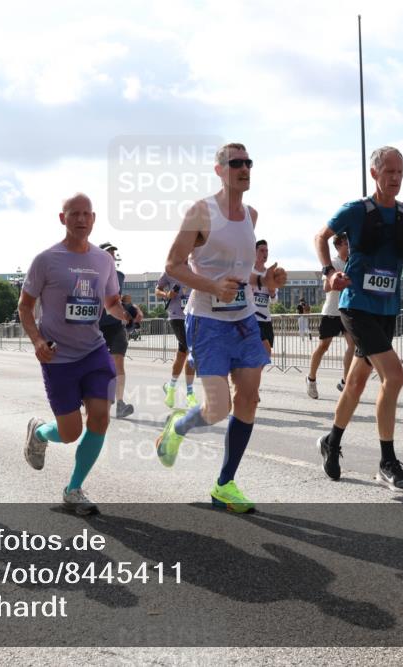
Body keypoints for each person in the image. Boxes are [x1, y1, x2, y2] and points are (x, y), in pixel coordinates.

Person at [154, 142, 286, 513]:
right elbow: (173, 264)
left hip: (243, 320)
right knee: (216, 408)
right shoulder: (201, 212)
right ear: (219, 170)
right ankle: (177, 428)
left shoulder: (250, 214)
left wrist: (266, 280)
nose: (243, 168)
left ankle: (225, 484)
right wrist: (212, 287)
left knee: (249, 398)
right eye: (235, 163)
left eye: (248, 162)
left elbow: (245, 274)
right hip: (207, 321)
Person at [314, 145, 403, 493]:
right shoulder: (356, 210)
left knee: (356, 383)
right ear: (374, 174)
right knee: (394, 377)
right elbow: (320, 236)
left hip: (387, 309)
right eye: (389, 172)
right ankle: (387, 463)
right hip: (356, 305)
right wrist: (327, 273)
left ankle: (331, 441)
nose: (395, 178)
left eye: (400, 172)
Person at [20, 193, 130, 515]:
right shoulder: (46, 260)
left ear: (93, 219)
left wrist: (126, 313)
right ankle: (40, 432)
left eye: (86, 214)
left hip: (94, 351)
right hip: (58, 358)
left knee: (100, 417)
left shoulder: (104, 260)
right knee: (70, 433)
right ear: (62, 218)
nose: (81, 220)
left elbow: (110, 302)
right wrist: (38, 341)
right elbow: (25, 306)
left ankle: (73, 489)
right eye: (74, 214)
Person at [306, 232, 355, 399]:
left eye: (349, 244)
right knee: (323, 346)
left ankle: (344, 381)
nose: (349, 247)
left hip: (347, 310)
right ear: (338, 246)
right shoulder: (333, 263)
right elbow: (326, 288)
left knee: (352, 345)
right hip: (332, 311)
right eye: (346, 244)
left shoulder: (353, 261)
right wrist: (338, 280)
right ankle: (311, 378)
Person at [97, 241, 142, 418]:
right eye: (108, 253)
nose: (111, 256)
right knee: (97, 365)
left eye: (113, 253)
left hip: (115, 326)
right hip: (95, 327)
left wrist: (134, 309)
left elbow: (119, 300)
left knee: (118, 362)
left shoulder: (119, 276)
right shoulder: (91, 274)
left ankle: (120, 404)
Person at [154, 272, 197, 409]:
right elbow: (157, 290)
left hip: (192, 315)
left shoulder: (195, 268)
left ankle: (170, 387)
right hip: (176, 316)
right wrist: (166, 295)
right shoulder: (169, 270)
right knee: (192, 351)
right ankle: (190, 395)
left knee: (182, 353)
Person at [252, 239, 279, 356]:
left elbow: (274, 301)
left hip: (266, 319)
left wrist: (272, 293)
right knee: (265, 349)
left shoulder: (270, 274)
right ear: (254, 252)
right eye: (262, 250)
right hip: (252, 319)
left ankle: (250, 374)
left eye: (267, 251)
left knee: (266, 355)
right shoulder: (248, 272)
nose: (265, 253)